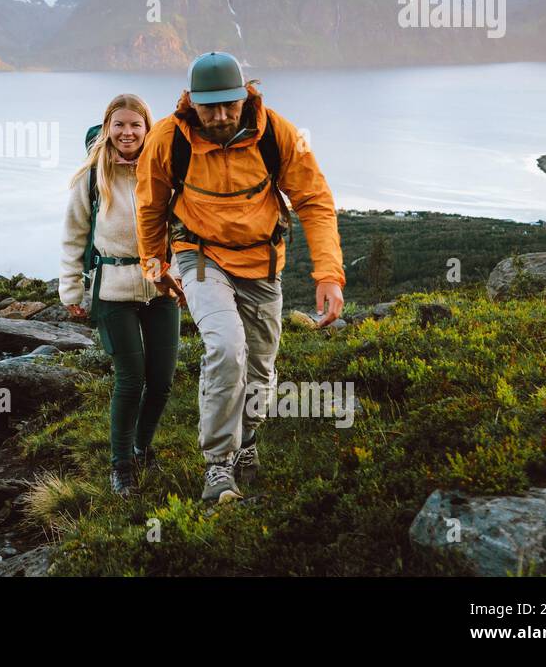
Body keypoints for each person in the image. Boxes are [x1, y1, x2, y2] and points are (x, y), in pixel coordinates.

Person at [135, 52, 345, 503]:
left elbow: (314, 201)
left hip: (263, 264)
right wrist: (155, 265)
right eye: (210, 107)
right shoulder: (168, 138)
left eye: (229, 104)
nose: (222, 115)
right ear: (192, 102)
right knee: (226, 346)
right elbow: (150, 205)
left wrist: (329, 275)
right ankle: (218, 464)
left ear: (245, 95)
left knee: (260, 368)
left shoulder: (279, 134)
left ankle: (246, 442)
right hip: (200, 255)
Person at [59, 94, 181, 497]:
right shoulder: (91, 177)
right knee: (131, 380)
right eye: (119, 124)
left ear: (147, 129)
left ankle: (142, 447)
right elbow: (74, 236)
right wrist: (71, 289)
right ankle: (121, 467)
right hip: (112, 291)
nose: (127, 132)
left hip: (161, 288)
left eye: (135, 125)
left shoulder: (163, 171)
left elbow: (181, 230)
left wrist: (183, 277)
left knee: (161, 382)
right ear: (107, 128)